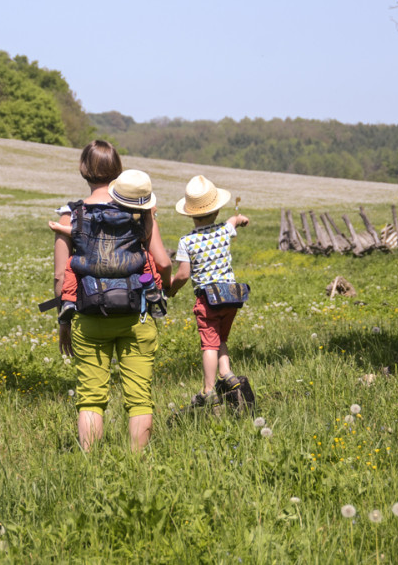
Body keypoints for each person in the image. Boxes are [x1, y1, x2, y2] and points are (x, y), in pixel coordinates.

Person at [49, 141, 170, 452]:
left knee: (90, 397)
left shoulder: (70, 217)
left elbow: (61, 277)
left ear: (82, 170)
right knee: (139, 397)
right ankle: (137, 468)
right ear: (118, 170)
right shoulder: (140, 211)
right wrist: (162, 289)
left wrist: (64, 322)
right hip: (136, 315)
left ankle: (91, 468)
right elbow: (164, 261)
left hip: (90, 316)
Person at [166, 175, 253, 409]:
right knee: (220, 339)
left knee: (209, 345)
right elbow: (232, 222)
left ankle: (208, 389)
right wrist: (239, 219)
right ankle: (227, 374)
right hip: (232, 296)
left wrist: (171, 289)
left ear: (191, 214)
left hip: (208, 299)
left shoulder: (187, 241)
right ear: (216, 211)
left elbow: (183, 274)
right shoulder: (224, 231)